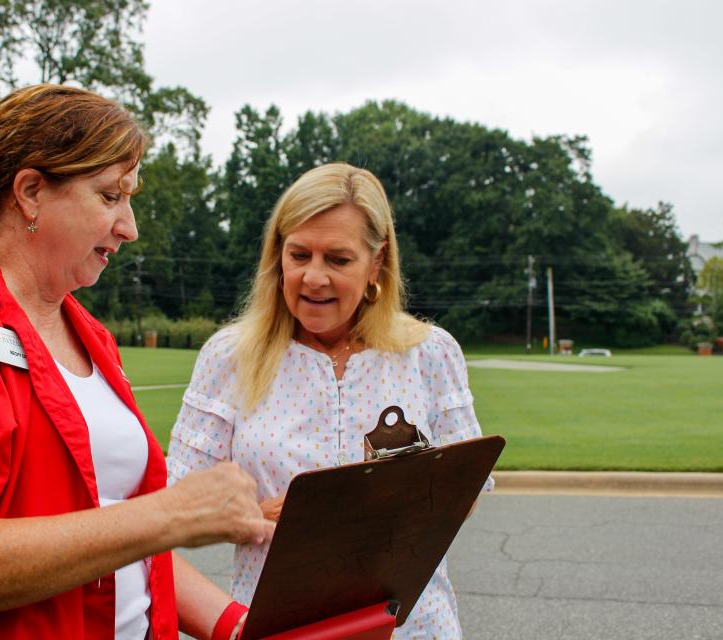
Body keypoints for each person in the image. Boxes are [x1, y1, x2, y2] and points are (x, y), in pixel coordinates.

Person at [0, 84, 272, 639]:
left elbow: (120, 540)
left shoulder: (89, 334)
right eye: (110, 196)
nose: (130, 226)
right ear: (31, 192)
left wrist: (238, 627)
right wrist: (170, 516)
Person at [167, 162, 491, 639]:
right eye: (299, 255)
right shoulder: (230, 357)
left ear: (376, 262)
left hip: (416, 627)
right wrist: (255, 516)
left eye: (338, 260)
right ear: (278, 257)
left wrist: (372, 502)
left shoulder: (430, 352)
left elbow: (466, 493)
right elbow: (177, 504)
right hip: (280, 628)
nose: (313, 278)